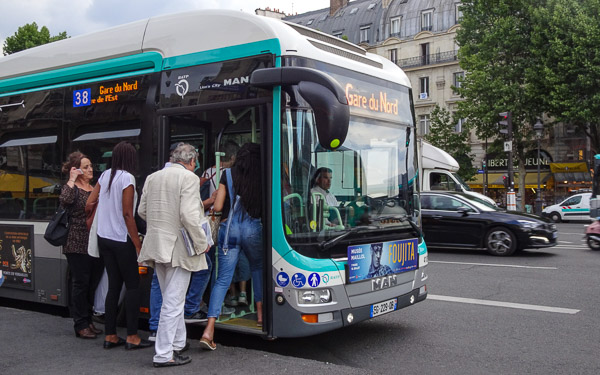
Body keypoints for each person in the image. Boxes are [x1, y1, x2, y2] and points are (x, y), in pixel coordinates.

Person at [138, 143, 209, 367]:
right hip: (179, 248)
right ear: (190, 161)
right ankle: (163, 354)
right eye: (195, 163)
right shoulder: (188, 178)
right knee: (173, 303)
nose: (195, 167)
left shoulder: (153, 177)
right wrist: (203, 242)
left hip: (157, 245)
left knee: (170, 298)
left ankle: (178, 343)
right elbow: (189, 215)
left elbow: (142, 211)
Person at [86, 141, 150, 350]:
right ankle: (132, 336)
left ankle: (110, 335)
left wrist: (104, 210)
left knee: (113, 286)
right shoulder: (127, 178)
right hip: (121, 239)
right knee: (132, 286)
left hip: (103, 238)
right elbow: (127, 213)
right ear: (131, 158)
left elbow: (90, 202)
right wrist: (137, 243)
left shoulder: (105, 176)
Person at [200, 143, 263, 351]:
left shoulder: (226, 173)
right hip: (253, 227)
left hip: (230, 231)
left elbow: (217, 207)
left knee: (222, 278)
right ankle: (261, 316)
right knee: (257, 269)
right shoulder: (262, 174)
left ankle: (209, 330)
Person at [59, 151, 104, 339]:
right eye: (85, 167)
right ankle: (80, 324)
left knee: (92, 283)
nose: (90, 169)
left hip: (94, 241)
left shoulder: (92, 187)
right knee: (81, 283)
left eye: (91, 166)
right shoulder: (74, 188)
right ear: (76, 169)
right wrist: (71, 178)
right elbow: (65, 200)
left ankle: (88, 319)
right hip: (76, 241)